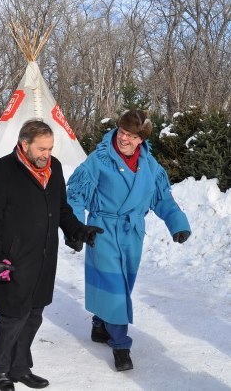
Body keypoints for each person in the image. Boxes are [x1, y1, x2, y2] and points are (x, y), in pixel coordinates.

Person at [0, 119, 103, 391]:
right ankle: (0, 368)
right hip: (13, 258)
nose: (47, 154)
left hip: (45, 257)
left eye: (50, 148)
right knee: (13, 316)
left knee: (34, 315)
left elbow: (61, 209)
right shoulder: (1, 171)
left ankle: (21, 367)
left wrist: (78, 231)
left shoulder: (54, 167)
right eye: (41, 149)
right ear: (24, 145)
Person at [66, 109, 191, 371]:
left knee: (124, 284)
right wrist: (76, 229)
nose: (125, 139)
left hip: (132, 231)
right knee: (114, 285)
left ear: (141, 140)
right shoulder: (99, 160)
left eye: (132, 136)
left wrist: (177, 223)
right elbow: (75, 194)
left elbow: (162, 198)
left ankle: (100, 323)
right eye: (122, 132)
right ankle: (121, 344)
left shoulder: (150, 165)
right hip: (102, 229)